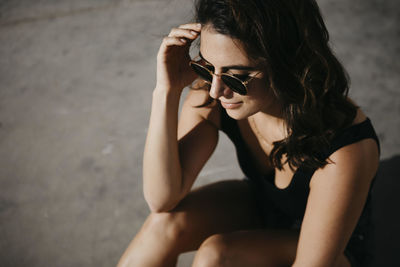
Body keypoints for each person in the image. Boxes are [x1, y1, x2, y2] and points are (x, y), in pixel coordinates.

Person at [117, 0, 380, 266]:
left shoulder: (344, 149)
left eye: (236, 76)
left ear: (286, 63)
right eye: (207, 67)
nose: (215, 90)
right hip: (266, 209)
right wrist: (166, 91)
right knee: (162, 226)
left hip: (333, 254)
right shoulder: (214, 95)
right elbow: (162, 199)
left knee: (216, 255)